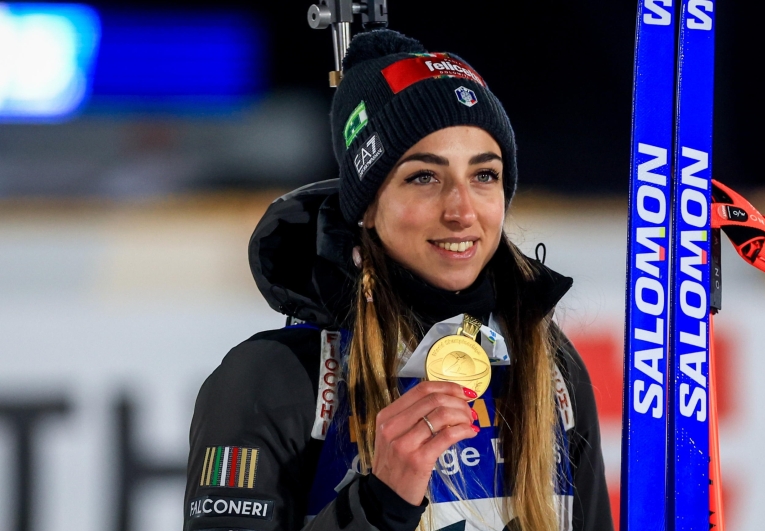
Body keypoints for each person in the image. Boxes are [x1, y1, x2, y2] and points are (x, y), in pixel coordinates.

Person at [183, 29, 613, 531]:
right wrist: (377, 506)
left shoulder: (550, 370)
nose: (461, 210)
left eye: (485, 175)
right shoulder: (271, 379)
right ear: (366, 206)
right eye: (423, 177)